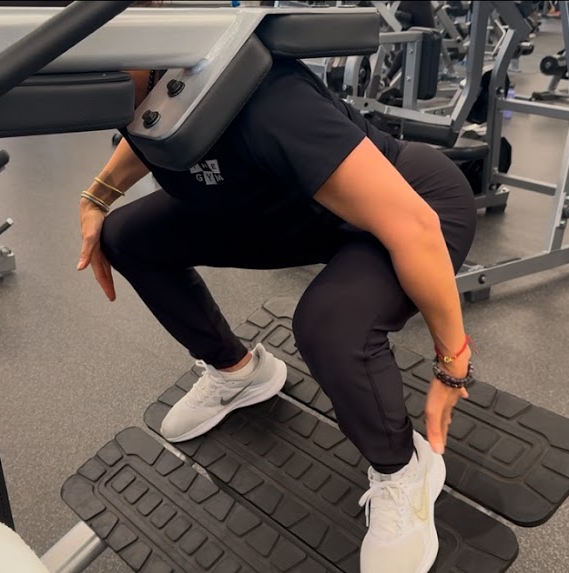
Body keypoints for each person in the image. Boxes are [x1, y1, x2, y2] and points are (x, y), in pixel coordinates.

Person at [78, 50, 478, 571]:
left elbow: (414, 228)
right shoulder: (141, 93)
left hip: (414, 205)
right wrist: (97, 196)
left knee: (329, 325)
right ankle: (239, 373)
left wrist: (453, 363)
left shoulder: (266, 98)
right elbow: (152, 135)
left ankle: (404, 469)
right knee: (125, 236)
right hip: (294, 211)